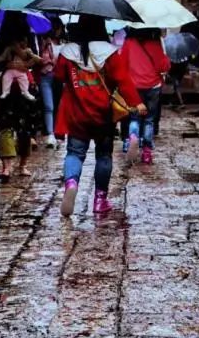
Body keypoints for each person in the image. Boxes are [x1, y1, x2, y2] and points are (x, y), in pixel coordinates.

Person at [53, 14, 146, 216]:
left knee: (74, 153)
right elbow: (123, 80)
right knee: (103, 155)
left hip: (76, 113)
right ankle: (100, 201)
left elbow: (58, 76)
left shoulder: (67, 52)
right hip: (103, 114)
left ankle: (71, 183)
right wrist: (136, 103)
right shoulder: (109, 52)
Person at [0, 13, 39, 182]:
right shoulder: (27, 36)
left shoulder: (2, 37)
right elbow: (35, 61)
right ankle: (20, 165)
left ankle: (8, 167)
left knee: (7, 126)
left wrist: (18, 63)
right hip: (16, 89)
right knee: (23, 127)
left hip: (13, 89)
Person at [120, 27, 170, 165]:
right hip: (153, 86)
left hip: (133, 85)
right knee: (149, 120)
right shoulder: (156, 42)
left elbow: (122, 64)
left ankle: (133, 136)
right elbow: (163, 66)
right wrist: (166, 59)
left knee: (134, 117)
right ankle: (147, 152)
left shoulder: (129, 42)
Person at [39, 29, 58, 148]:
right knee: (48, 106)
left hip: (57, 78)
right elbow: (40, 60)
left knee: (56, 106)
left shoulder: (58, 45)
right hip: (44, 77)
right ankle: (51, 133)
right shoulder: (40, 46)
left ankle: (57, 133)